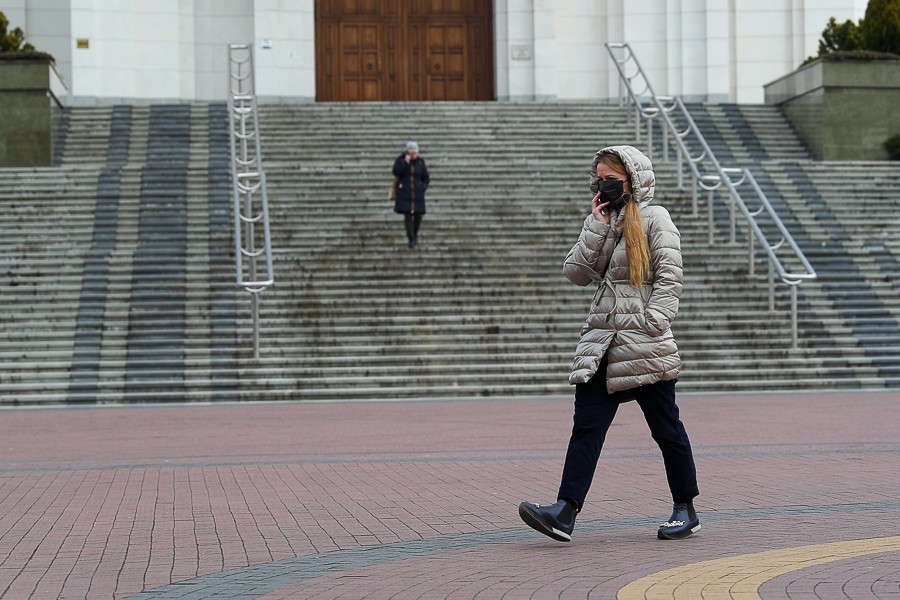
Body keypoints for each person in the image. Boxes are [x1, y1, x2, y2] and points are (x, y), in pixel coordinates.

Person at [518, 145, 701, 542]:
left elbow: (670, 278)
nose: (604, 186)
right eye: (600, 179)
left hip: (644, 345)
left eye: (612, 180)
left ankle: (685, 508)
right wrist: (596, 225)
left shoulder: (655, 218)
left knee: (666, 429)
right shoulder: (606, 221)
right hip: (602, 342)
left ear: (633, 181)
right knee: (587, 426)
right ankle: (565, 511)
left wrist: (652, 324)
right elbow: (576, 273)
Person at [392, 141, 430, 248]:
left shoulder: (421, 162)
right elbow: (396, 172)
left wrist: (422, 187)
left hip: (417, 194)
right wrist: (405, 163)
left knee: (419, 215)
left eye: (416, 153)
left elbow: (426, 177)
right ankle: (411, 238)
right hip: (405, 193)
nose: (414, 155)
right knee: (408, 215)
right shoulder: (400, 160)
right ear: (408, 153)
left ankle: (414, 234)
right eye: (412, 153)